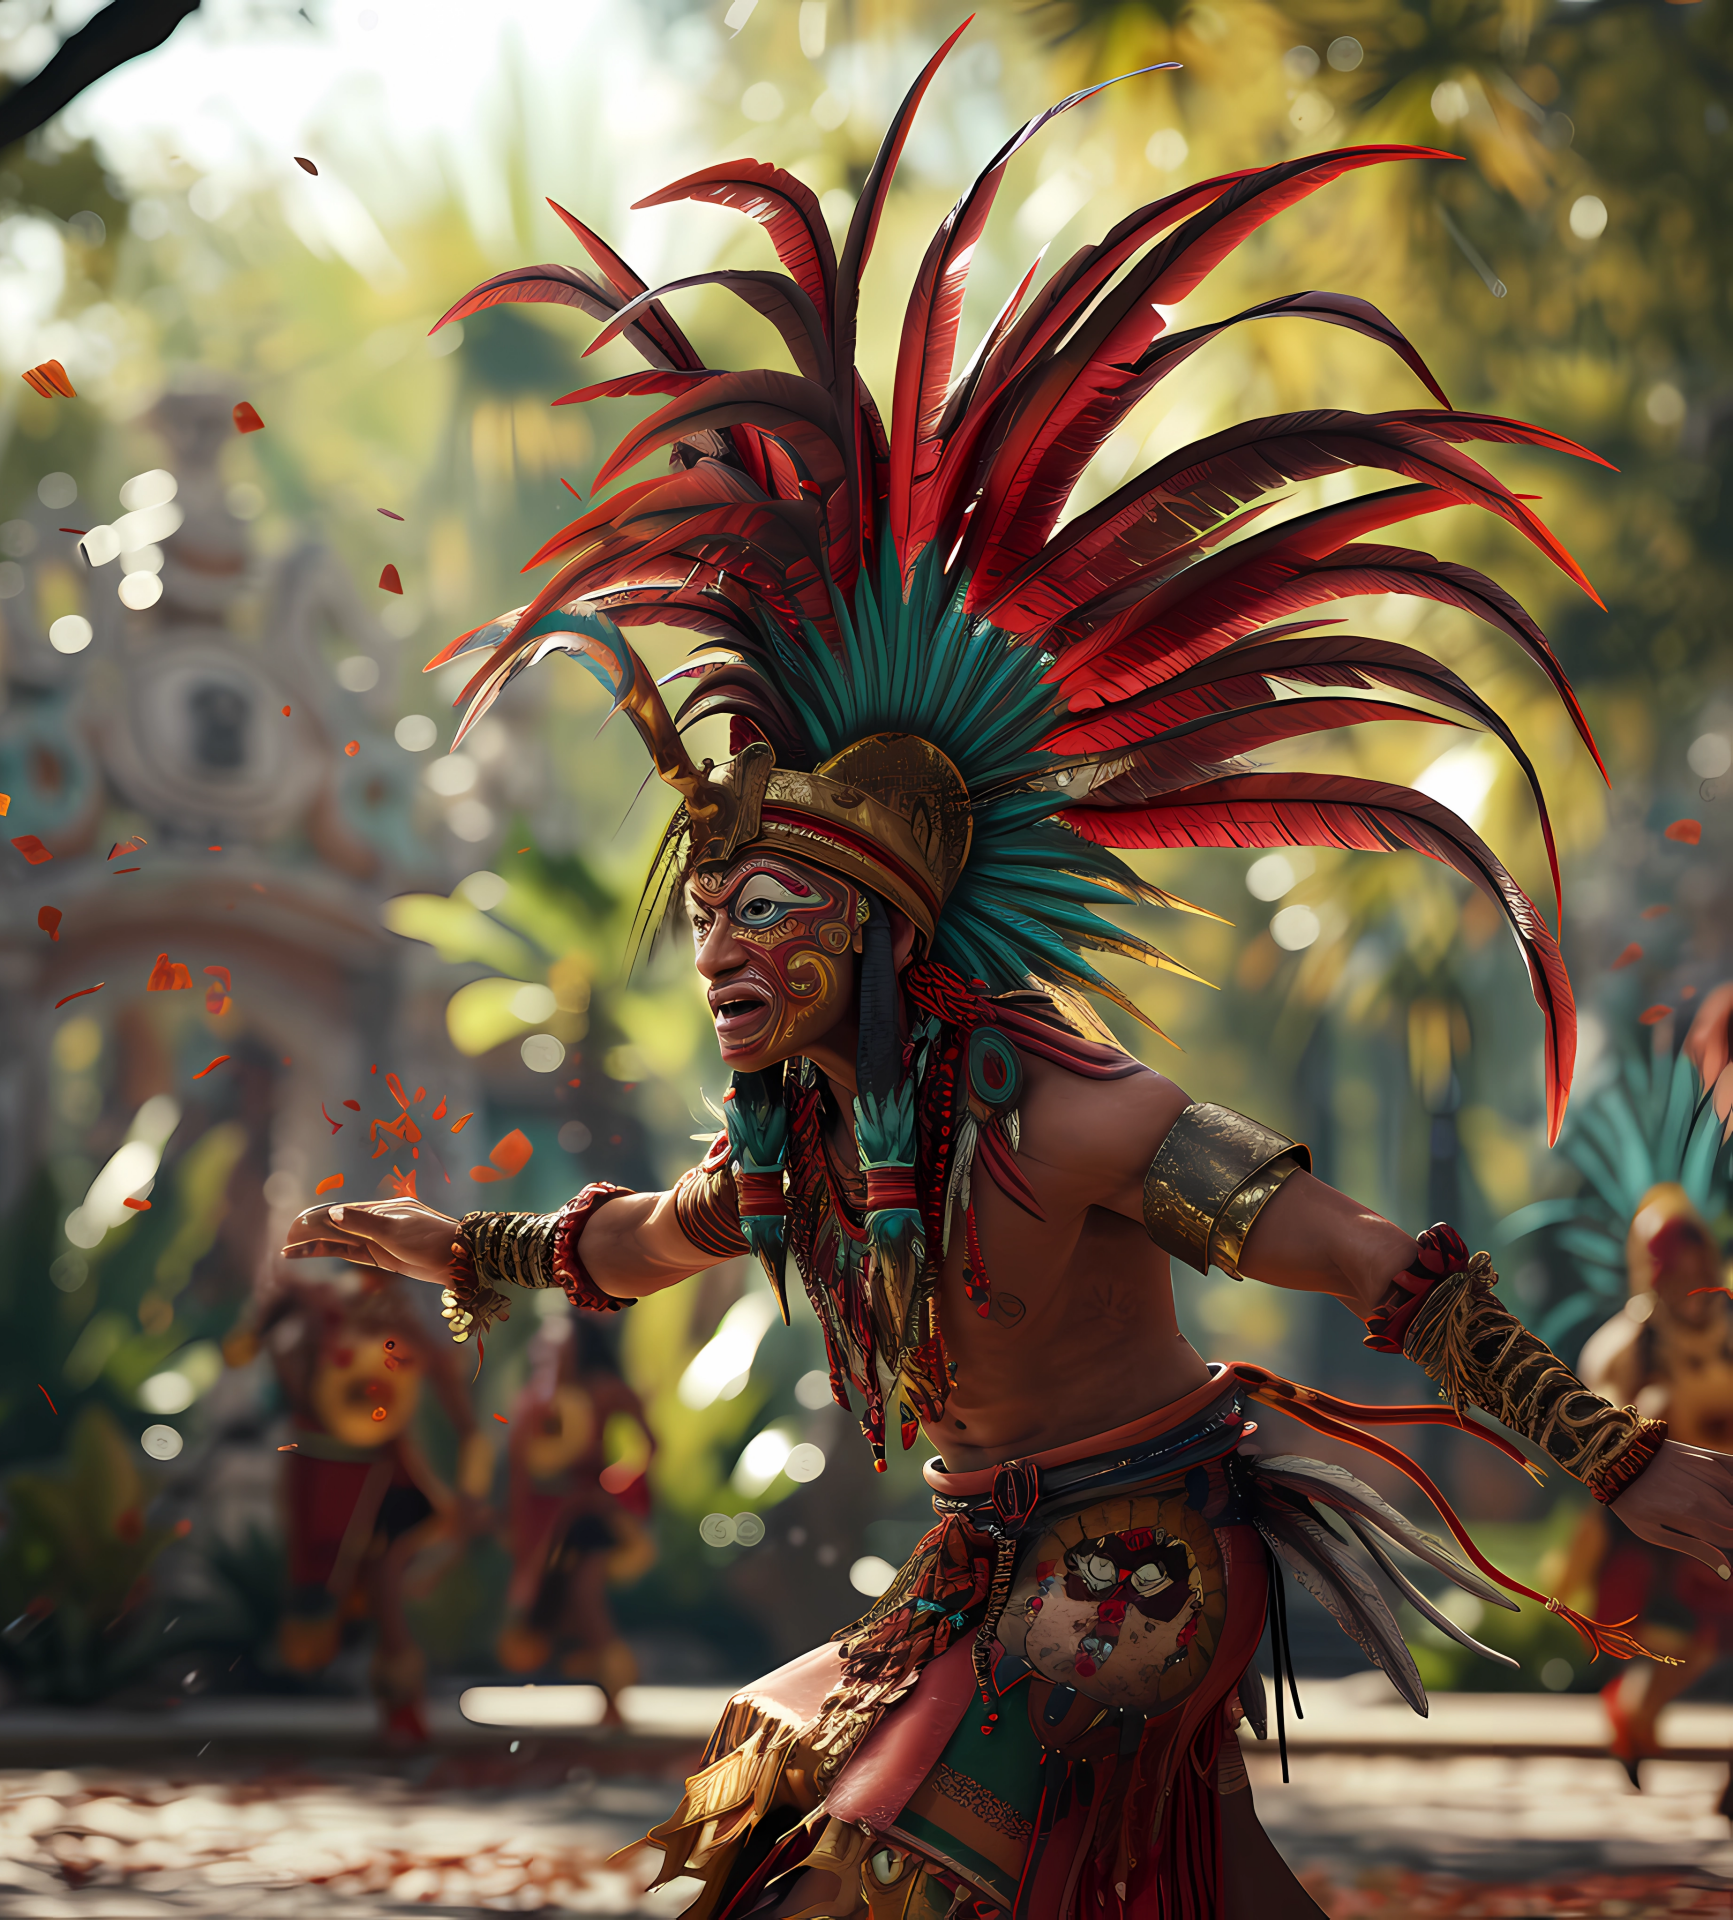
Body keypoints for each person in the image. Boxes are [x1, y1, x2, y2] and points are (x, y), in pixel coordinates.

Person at [283, 28, 1733, 1913]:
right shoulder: (811, 1147)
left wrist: (1611, 1454)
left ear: (883, 933)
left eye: (772, 912)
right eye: (714, 914)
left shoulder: (1076, 1116)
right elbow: (644, 1235)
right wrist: (462, 1247)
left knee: (868, 1876)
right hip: (988, 1559)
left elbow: (1382, 1266)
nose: (722, 944)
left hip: (1143, 1549)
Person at [1549, 991, 1733, 1794]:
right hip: (1661, 1521)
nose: (1683, 1271)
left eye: (1690, 1254)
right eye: (1669, 1258)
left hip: (1723, 1501)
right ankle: (1635, 1717)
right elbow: (1600, 1433)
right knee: (1679, 1643)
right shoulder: (1627, 1341)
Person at [227, 1264, 494, 1745]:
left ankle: (402, 1710)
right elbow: (271, 1351)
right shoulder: (318, 1312)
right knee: (331, 1594)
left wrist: (472, 1489)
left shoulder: (403, 1328)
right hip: (323, 1474)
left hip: (383, 1476)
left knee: (384, 1580)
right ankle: (392, 1707)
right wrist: (271, 1336)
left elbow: (464, 1421)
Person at [497, 1309, 657, 1708]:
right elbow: (521, 1468)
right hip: (547, 1518)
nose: (550, 1359)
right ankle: (604, 1692)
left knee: (587, 1600)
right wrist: (516, 1520)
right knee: (562, 1606)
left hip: (588, 1517)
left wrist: (616, 1488)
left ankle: (615, 1701)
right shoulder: (534, 1403)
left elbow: (649, 1446)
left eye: (559, 1350)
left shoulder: (603, 1392)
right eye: (545, 1352)